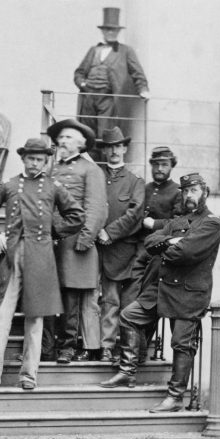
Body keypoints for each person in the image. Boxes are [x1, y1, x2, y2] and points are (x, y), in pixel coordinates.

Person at [99, 173, 220, 415]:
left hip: (188, 293)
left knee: (181, 344)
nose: (189, 195)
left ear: (205, 193)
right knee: (129, 316)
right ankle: (127, 371)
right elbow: (150, 241)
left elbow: (184, 253)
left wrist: (167, 244)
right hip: (162, 288)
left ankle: (175, 397)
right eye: (186, 191)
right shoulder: (178, 221)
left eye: (194, 191)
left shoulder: (211, 223)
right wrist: (171, 240)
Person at [0, 138, 84, 390]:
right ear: (23, 159)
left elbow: (77, 215)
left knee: (35, 319)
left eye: (40, 159)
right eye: (31, 158)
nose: (35, 163)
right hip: (12, 256)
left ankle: (28, 376)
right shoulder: (10, 185)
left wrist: (51, 232)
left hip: (41, 257)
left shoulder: (53, 186)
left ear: (45, 161)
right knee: (0, 316)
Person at [45, 118, 108, 364]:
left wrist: (86, 237)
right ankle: (47, 347)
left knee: (72, 295)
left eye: (68, 137)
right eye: (60, 137)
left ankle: (68, 347)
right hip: (52, 240)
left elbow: (96, 208)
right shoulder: (52, 169)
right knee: (51, 292)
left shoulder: (90, 170)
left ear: (81, 144)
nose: (62, 141)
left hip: (75, 242)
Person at [122, 146, 181, 362]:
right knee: (131, 297)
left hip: (160, 253)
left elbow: (179, 223)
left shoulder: (177, 192)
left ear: (171, 166)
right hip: (139, 250)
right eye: (156, 164)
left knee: (149, 301)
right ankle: (130, 350)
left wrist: (154, 223)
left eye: (164, 164)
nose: (159, 168)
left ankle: (141, 352)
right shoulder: (144, 189)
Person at [94, 127, 144, 363]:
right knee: (91, 299)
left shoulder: (135, 182)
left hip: (119, 251)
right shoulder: (95, 177)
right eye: (109, 146)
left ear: (124, 148)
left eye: (118, 146)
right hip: (93, 249)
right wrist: (96, 232)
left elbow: (134, 215)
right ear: (104, 150)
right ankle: (89, 345)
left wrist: (109, 233)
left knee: (114, 301)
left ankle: (108, 346)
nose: (114, 151)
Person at [74, 7, 150, 140]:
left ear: (118, 32)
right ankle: (90, 161)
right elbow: (79, 73)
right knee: (86, 133)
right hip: (88, 97)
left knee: (105, 133)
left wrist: (143, 89)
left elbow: (137, 73)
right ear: (102, 31)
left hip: (107, 97)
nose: (110, 32)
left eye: (113, 30)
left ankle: (104, 160)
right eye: (107, 29)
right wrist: (83, 84)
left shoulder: (125, 51)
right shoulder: (94, 50)